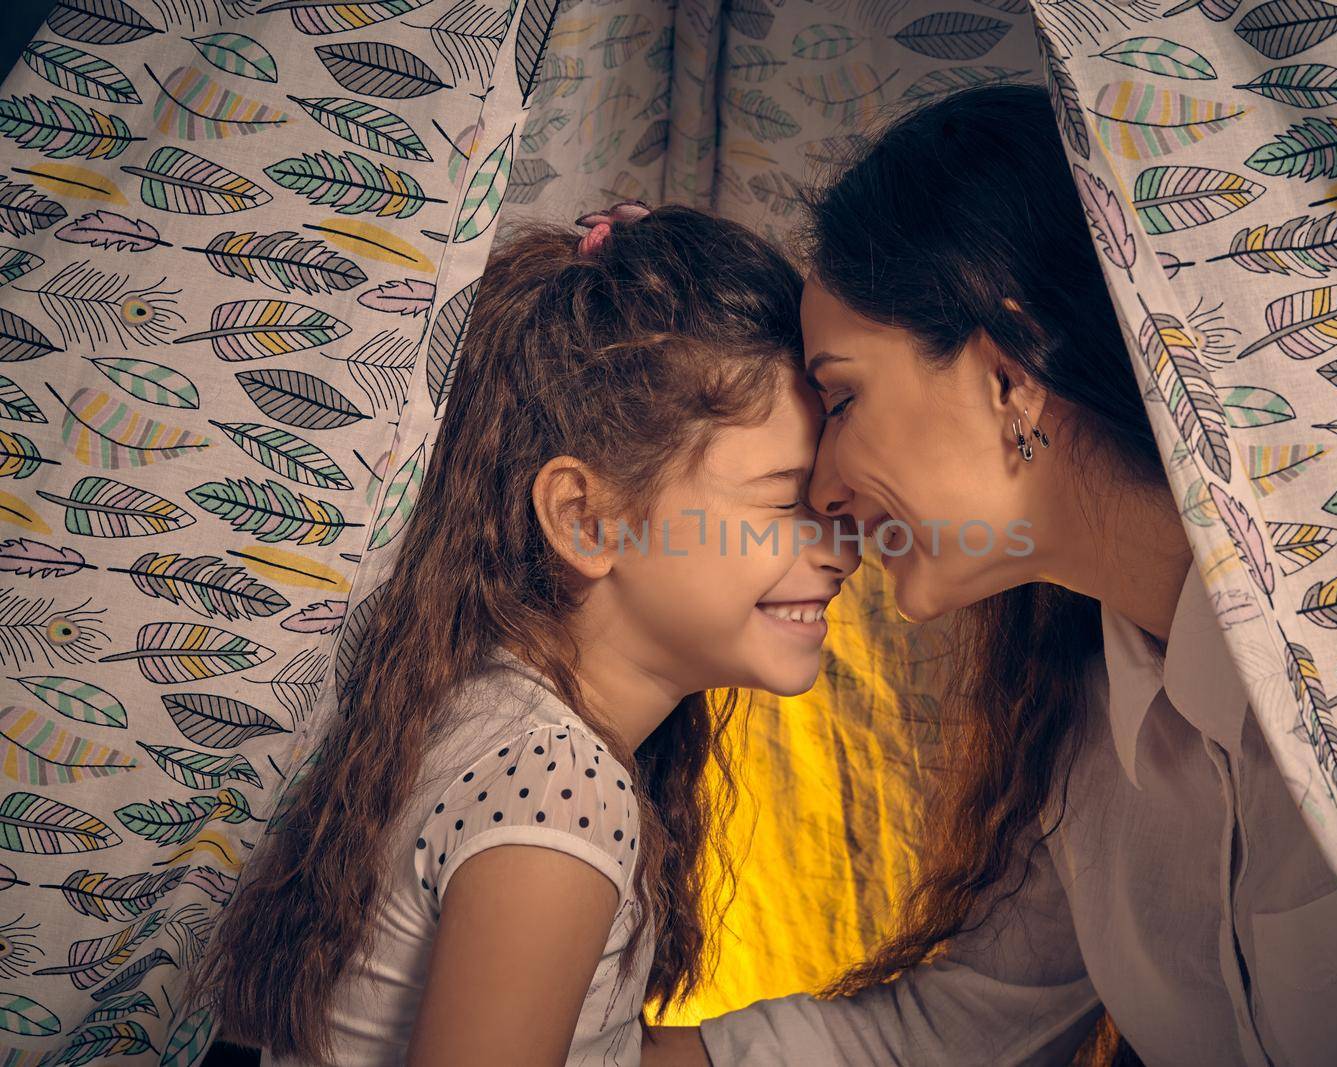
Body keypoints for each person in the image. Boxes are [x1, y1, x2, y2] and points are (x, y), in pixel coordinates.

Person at [641, 85, 1337, 1067]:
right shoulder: (1078, 723)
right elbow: (943, 1035)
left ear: (1011, 374)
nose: (823, 487)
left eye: (840, 398)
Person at [188, 204, 860, 1066]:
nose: (843, 544)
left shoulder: (495, 706)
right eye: (785, 501)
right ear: (587, 517)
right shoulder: (562, 789)